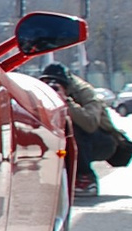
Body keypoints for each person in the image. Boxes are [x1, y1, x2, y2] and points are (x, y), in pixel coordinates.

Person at [42, 62, 117, 196]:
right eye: (46, 84)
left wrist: (66, 102)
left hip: (102, 141)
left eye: (55, 85)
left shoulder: (84, 92)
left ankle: (85, 177)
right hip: (67, 143)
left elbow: (90, 124)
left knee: (73, 128)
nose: (51, 88)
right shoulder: (42, 95)